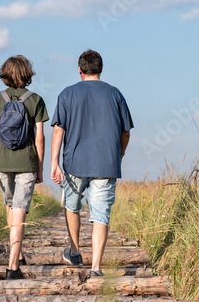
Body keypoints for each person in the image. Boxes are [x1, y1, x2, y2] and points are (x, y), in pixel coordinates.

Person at [50, 49, 133, 277]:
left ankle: (75, 252)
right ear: (101, 69)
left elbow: (58, 130)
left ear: (80, 71)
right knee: (100, 214)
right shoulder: (115, 94)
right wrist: (120, 154)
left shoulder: (67, 94)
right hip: (106, 163)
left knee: (71, 206)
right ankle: (96, 267)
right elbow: (125, 132)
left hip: (74, 163)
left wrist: (54, 162)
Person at [0, 55, 49, 280]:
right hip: (26, 162)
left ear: (5, 72)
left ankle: (17, 253)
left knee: (11, 206)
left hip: (2, 162)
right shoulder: (36, 100)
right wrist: (40, 167)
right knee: (20, 208)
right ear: (27, 74)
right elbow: (40, 138)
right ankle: (13, 265)